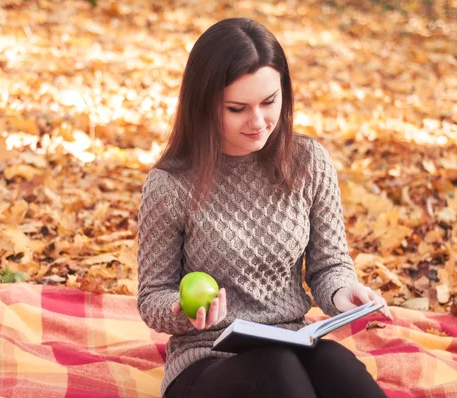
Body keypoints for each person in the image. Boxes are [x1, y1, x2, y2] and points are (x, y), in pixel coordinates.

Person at [136, 18, 392, 398]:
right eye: (237, 108)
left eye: (269, 102)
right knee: (278, 370)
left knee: (342, 369)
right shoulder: (170, 185)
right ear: (203, 105)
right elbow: (152, 295)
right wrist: (183, 310)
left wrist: (344, 294)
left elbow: (329, 265)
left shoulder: (309, 162)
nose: (258, 122)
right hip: (206, 359)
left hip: (293, 340)